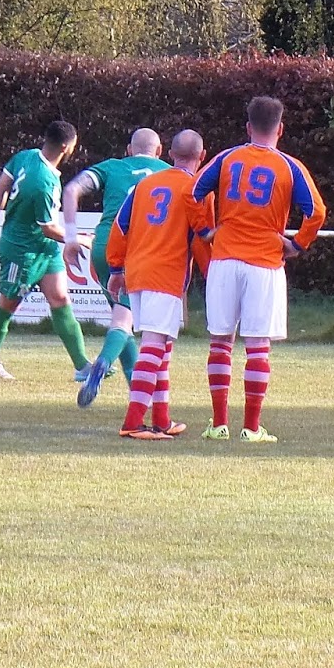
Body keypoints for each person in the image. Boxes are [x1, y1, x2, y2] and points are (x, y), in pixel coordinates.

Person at [191, 96, 327, 444]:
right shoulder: (290, 166)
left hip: (224, 259)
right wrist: (297, 244)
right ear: (280, 129)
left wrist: (206, 230)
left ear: (248, 127)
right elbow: (316, 212)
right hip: (265, 263)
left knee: (221, 342)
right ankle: (251, 428)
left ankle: (219, 424)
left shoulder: (226, 158)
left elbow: (193, 192)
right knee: (257, 345)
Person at [103, 129, 215, 440]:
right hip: (166, 274)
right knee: (154, 344)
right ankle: (133, 421)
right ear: (202, 157)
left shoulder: (144, 185)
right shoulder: (196, 191)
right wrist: (212, 275)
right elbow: (200, 240)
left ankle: (162, 419)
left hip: (138, 272)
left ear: (169, 154)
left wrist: (116, 267)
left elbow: (120, 227)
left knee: (163, 346)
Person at [0, 121, 93, 381]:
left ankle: (83, 367)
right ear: (65, 147)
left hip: (43, 249)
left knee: (60, 298)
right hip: (21, 251)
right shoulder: (45, 182)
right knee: (7, 304)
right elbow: (49, 227)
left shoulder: (25, 156)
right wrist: (80, 239)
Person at [64, 126, 172, 407]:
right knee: (124, 321)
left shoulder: (112, 167)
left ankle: (139, 394)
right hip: (142, 246)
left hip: (104, 245)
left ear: (128, 150)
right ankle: (102, 363)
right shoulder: (169, 173)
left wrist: (72, 238)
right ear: (159, 151)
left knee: (120, 315)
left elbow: (72, 188)